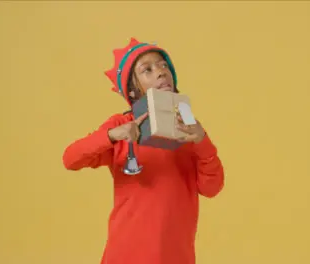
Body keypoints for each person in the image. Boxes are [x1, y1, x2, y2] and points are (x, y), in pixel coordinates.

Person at [62, 37, 225, 264]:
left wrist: (202, 140)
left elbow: (211, 188)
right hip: (126, 254)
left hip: (176, 257)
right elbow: (71, 159)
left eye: (163, 65)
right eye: (146, 70)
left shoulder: (188, 126)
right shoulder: (121, 124)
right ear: (131, 90)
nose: (160, 72)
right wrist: (111, 135)